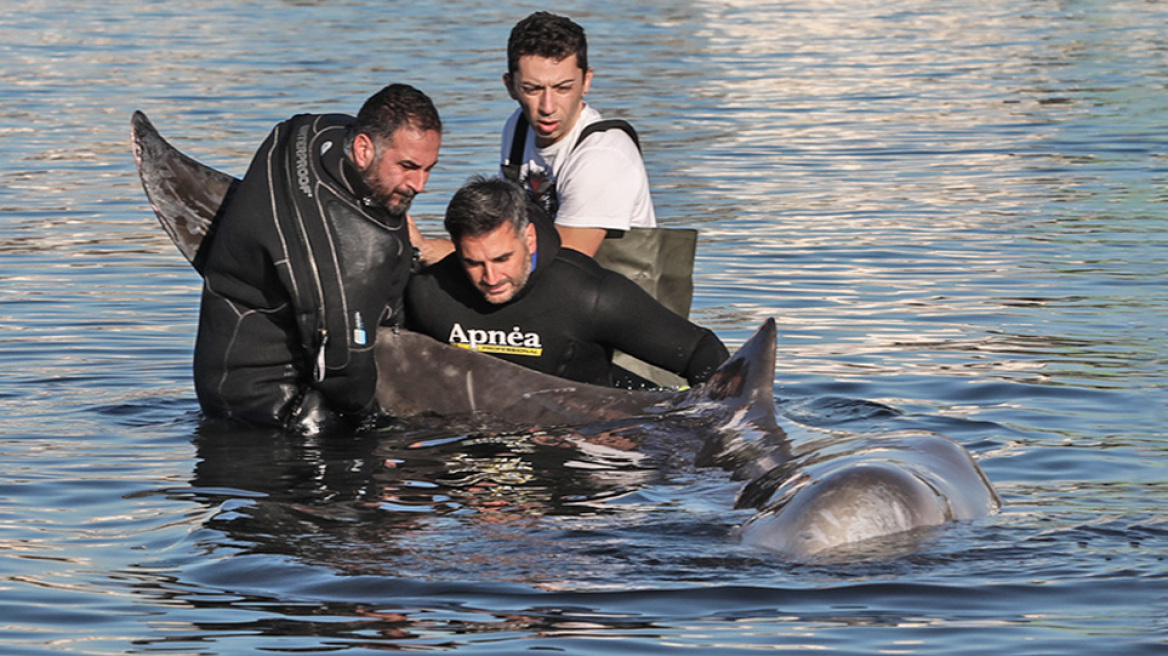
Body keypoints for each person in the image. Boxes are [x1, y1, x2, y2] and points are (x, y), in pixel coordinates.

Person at [193, 84, 442, 434]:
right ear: (363, 148)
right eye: (408, 166)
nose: (420, 184)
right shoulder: (354, 252)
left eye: (429, 168)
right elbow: (345, 374)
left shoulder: (308, 131)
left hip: (218, 385)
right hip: (271, 411)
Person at [404, 176, 726, 388]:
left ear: (529, 238)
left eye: (503, 259)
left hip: (574, 451)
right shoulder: (428, 292)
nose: (491, 278)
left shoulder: (587, 293)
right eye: (473, 262)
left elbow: (704, 353)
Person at [409, 11, 655, 265]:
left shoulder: (603, 155)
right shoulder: (517, 128)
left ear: (586, 82)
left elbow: (565, 268)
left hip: (603, 292)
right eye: (533, 89)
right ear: (510, 86)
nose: (548, 106)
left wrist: (444, 255)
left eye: (563, 88)